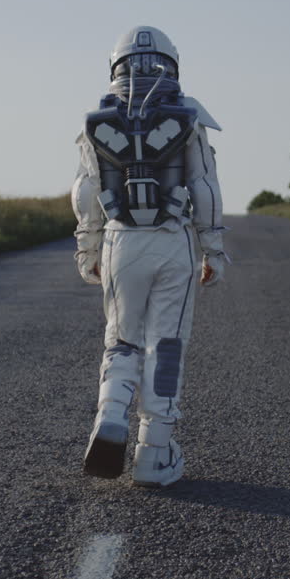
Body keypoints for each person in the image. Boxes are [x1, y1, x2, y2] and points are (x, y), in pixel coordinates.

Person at [71, 26, 226, 488]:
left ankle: (112, 413)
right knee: (167, 344)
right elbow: (205, 187)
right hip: (172, 240)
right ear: (171, 64)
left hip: (121, 241)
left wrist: (88, 250)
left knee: (121, 339)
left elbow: (85, 192)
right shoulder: (189, 118)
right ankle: (153, 453)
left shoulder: (97, 122)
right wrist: (213, 248)